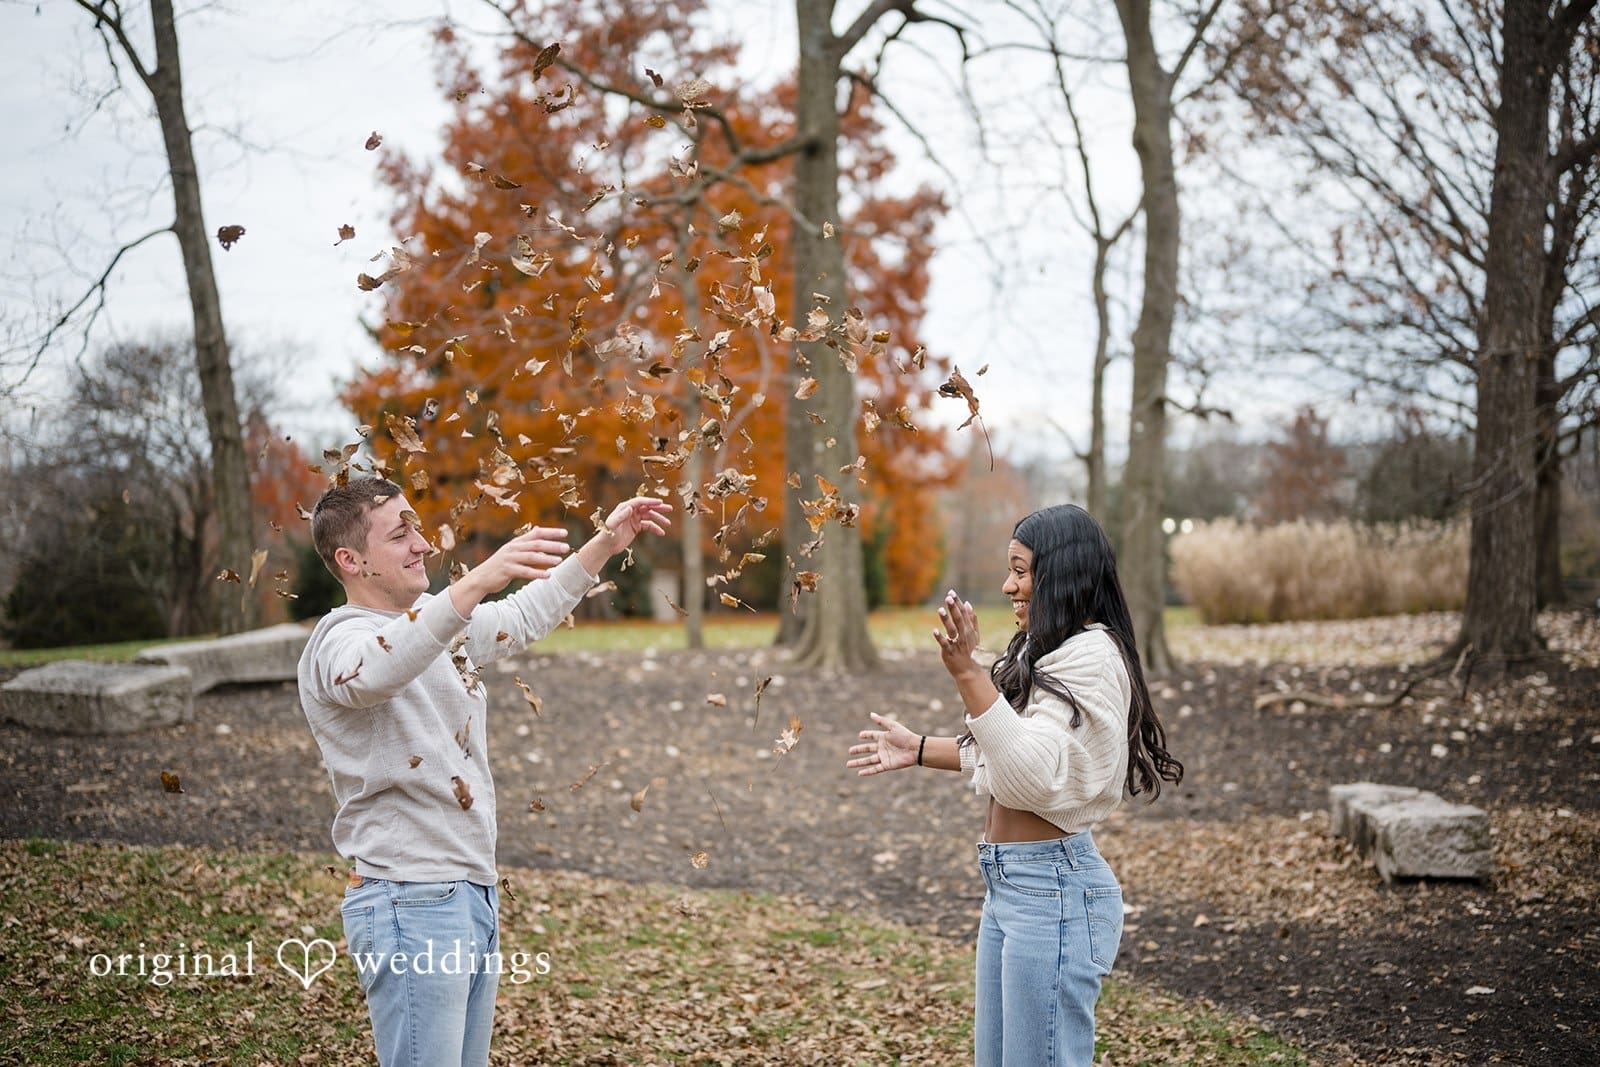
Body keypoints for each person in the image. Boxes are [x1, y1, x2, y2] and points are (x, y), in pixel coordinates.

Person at [297, 476, 670, 1067]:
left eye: (416, 526)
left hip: (470, 892)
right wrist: (475, 581)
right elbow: (374, 672)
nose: (421, 543)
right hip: (409, 898)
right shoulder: (337, 642)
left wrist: (603, 545)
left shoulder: (434, 629)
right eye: (400, 534)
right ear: (351, 559)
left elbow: (520, 616)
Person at [846, 504, 1182, 1067]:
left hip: (1053, 890)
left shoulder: (1093, 657)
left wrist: (969, 677)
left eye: (1021, 570)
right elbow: (1008, 751)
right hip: (1013, 885)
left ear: (1061, 572)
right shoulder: (1048, 650)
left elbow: (1032, 775)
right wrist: (921, 749)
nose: (1008, 585)